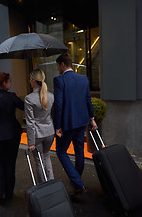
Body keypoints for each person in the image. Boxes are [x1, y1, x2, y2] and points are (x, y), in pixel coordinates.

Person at [54, 53, 98, 196]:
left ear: (62, 64)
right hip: (81, 122)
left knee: (61, 151)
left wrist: (57, 126)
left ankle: (78, 183)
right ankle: (76, 178)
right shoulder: (83, 78)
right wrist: (92, 118)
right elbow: (88, 100)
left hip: (67, 124)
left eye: (57, 66)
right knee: (79, 151)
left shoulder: (59, 80)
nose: (57, 69)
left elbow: (58, 104)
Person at [0, 72, 24, 204]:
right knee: (10, 164)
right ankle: (8, 194)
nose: (11, 83)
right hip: (12, 135)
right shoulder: (12, 97)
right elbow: (24, 106)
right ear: (4, 83)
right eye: (9, 81)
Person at [25, 69, 54, 183]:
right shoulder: (51, 96)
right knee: (46, 156)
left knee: (39, 160)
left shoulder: (29, 98)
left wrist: (31, 142)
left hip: (37, 134)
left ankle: (44, 186)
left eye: (30, 80)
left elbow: (30, 122)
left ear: (33, 80)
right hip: (49, 132)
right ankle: (51, 183)